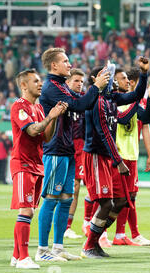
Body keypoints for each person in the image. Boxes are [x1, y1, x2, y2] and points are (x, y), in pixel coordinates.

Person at [36, 47, 110, 262]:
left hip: (67, 149)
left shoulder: (62, 86)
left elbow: (83, 103)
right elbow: (80, 105)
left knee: (66, 199)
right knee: (51, 199)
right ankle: (42, 250)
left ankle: (58, 247)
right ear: (54, 66)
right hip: (56, 150)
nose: (70, 64)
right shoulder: (51, 88)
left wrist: (101, 88)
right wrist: (96, 86)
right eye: (66, 61)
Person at [82, 58, 149, 259]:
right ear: (96, 79)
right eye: (107, 76)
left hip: (108, 156)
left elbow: (137, 94)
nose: (110, 80)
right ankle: (90, 244)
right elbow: (104, 133)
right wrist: (118, 161)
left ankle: (94, 241)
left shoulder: (111, 98)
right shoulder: (97, 101)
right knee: (106, 203)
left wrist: (144, 74)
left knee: (120, 202)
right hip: (96, 155)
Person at [9, 68, 67, 269]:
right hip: (23, 163)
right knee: (26, 210)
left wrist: (54, 117)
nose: (40, 84)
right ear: (24, 85)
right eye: (35, 81)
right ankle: (24, 258)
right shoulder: (18, 106)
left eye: (40, 81)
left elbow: (47, 137)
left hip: (37, 164)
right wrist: (49, 117)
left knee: (30, 211)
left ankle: (17, 256)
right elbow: (33, 130)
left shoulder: (40, 108)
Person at [113, 66, 150, 246]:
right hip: (118, 154)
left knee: (131, 196)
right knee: (115, 196)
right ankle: (100, 233)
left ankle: (129, 233)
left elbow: (145, 122)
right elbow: (123, 118)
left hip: (131, 153)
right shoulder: (117, 100)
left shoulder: (137, 102)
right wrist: (141, 98)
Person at [63, 68, 85, 240]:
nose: (79, 84)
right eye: (76, 81)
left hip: (81, 145)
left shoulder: (85, 98)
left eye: (81, 81)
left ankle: (67, 227)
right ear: (68, 82)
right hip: (62, 145)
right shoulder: (61, 97)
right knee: (58, 190)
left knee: (76, 188)